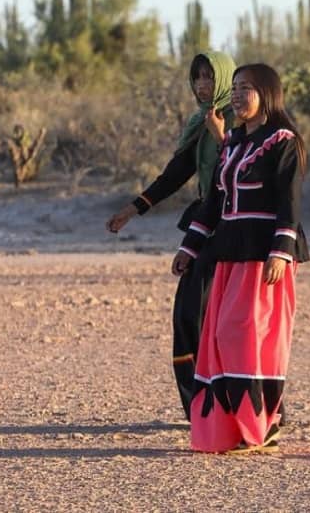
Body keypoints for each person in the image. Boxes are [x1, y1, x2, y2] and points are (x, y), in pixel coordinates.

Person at [172, 63, 309, 454]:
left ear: (267, 93)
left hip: (264, 254)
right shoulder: (232, 141)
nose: (236, 94)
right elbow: (214, 202)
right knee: (218, 335)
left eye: (246, 88)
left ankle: (263, 424)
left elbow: (290, 202)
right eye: (233, 87)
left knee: (247, 333)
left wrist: (280, 252)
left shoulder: (283, 140)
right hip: (229, 251)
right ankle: (232, 430)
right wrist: (190, 247)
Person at [106, 50, 236, 420]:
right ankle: (200, 406)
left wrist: (223, 135)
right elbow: (174, 175)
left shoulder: (241, 123)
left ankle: (242, 405)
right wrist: (133, 209)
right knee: (188, 316)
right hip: (205, 227)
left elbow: (247, 168)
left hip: (236, 231)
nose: (202, 85)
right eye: (197, 78)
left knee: (223, 321)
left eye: (210, 77)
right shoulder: (201, 124)